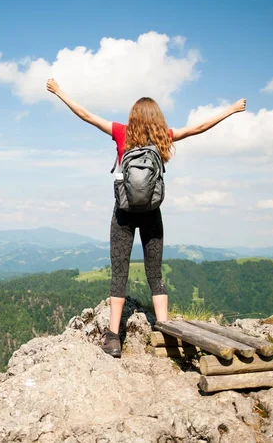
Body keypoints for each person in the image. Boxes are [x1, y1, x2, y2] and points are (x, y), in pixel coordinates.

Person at [46, 78, 246, 357]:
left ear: (133, 117)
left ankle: (114, 338)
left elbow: (87, 115)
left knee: (119, 273)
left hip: (123, 214)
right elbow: (199, 128)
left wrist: (60, 93)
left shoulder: (121, 133)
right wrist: (232, 109)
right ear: (156, 118)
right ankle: (165, 330)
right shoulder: (163, 136)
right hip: (152, 214)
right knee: (155, 273)